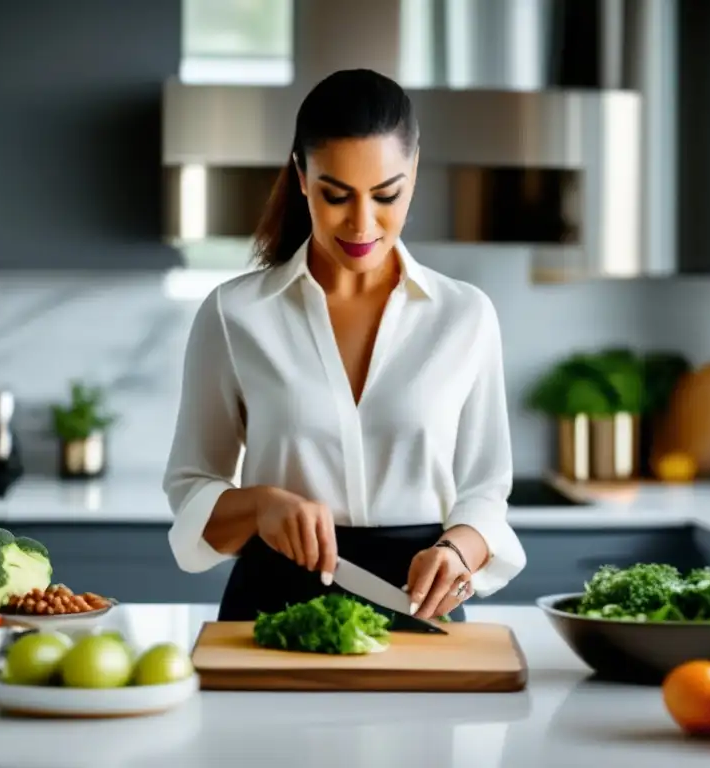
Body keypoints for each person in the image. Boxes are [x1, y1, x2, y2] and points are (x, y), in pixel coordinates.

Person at [163, 68, 525, 623]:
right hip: (271, 610)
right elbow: (191, 491)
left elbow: (485, 489)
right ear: (301, 176)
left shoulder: (464, 315)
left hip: (417, 605)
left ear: (415, 172)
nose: (361, 224)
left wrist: (458, 552)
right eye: (336, 196)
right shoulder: (234, 315)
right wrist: (261, 505)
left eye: (387, 195)